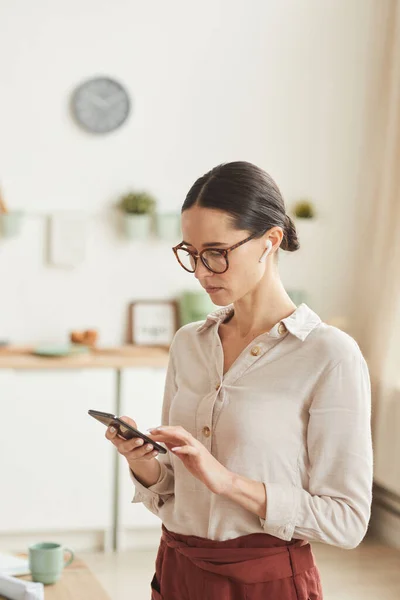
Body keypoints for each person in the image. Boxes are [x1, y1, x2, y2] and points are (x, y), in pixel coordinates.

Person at [106, 161, 373, 600]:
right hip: (176, 570)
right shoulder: (188, 343)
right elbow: (177, 487)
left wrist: (227, 481)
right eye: (191, 253)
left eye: (216, 251)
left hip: (265, 583)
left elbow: (347, 521)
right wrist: (143, 461)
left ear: (271, 241)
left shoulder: (330, 355)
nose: (201, 270)